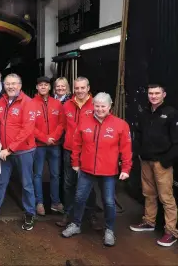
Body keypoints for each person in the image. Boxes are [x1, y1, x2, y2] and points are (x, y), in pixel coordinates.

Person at [61, 92, 132, 247]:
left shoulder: (120, 125)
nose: (100, 109)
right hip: (86, 170)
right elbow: (76, 144)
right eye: (97, 106)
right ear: (93, 106)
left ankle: (109, 230)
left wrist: (126, 168)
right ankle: (76, 224)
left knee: (108, 202)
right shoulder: (84, 122)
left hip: (109, 171)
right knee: (79, 198)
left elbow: (126, 149)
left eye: (103, 106)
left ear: (109, 106)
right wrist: (75, 162)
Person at [0, 73, 38, 231]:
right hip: (3, 151)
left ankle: (30, 213)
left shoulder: (28, 103)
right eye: (8, 84)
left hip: (23, 151)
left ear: (20, 86)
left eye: (14, 83)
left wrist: (10, 149)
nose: (10, 86)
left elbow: (27, 130)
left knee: (26, 184)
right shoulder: (2, 101)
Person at [130, 84, 178, 247]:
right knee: (149, 194)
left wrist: (166, 161)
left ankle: (171, 232)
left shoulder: (171, 113)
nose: (154, 96)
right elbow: (139, 136)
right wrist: (138, 153)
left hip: (162, 163)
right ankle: (149, 222)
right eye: (151, 93)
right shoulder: (144, 113)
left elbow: (176, 141)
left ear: (164, 94)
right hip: (146, 161)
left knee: (166, 198)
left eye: (157, 93)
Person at [57, 77, 100, 230]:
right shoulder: (67, 105)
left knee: (89, 185)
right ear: (73, 89)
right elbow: (62, 125)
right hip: (69, 149)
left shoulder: (96, 104)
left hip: (88, 151)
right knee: (69, 184)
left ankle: (91, 215)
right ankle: (68, 214)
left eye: (83, 88)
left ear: (88, 88)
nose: (80, 91)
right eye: (77, 88)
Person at [32, 76, 65, 216]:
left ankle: (55, 203)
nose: (43, 87)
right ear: (37, 88)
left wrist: (54, 138)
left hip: (54, 145)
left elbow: (62, 123)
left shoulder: (57, 104)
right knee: (38, 175)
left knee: (55, 175)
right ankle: (39, 203)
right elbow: (30, 126)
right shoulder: (31, 103)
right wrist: (45, 138)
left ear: (50, 87)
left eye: (46, 85)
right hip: (39, 145)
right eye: (41, 85)